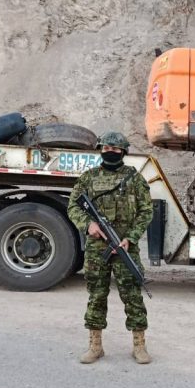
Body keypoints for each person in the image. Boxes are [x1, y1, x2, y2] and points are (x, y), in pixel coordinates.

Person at [67, 131, 154, 365]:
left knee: (133, 295)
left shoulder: (134, 178)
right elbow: (73, 206)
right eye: (106, 149)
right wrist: (89, 225)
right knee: (96, 295)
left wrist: (131, 238)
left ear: (123, 152)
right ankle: (95, 345)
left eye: (115, 150)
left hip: (125, 246)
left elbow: (147, 211)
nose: (110, 153)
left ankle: (139, 346)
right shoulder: (89, 178)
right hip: (97, 248)